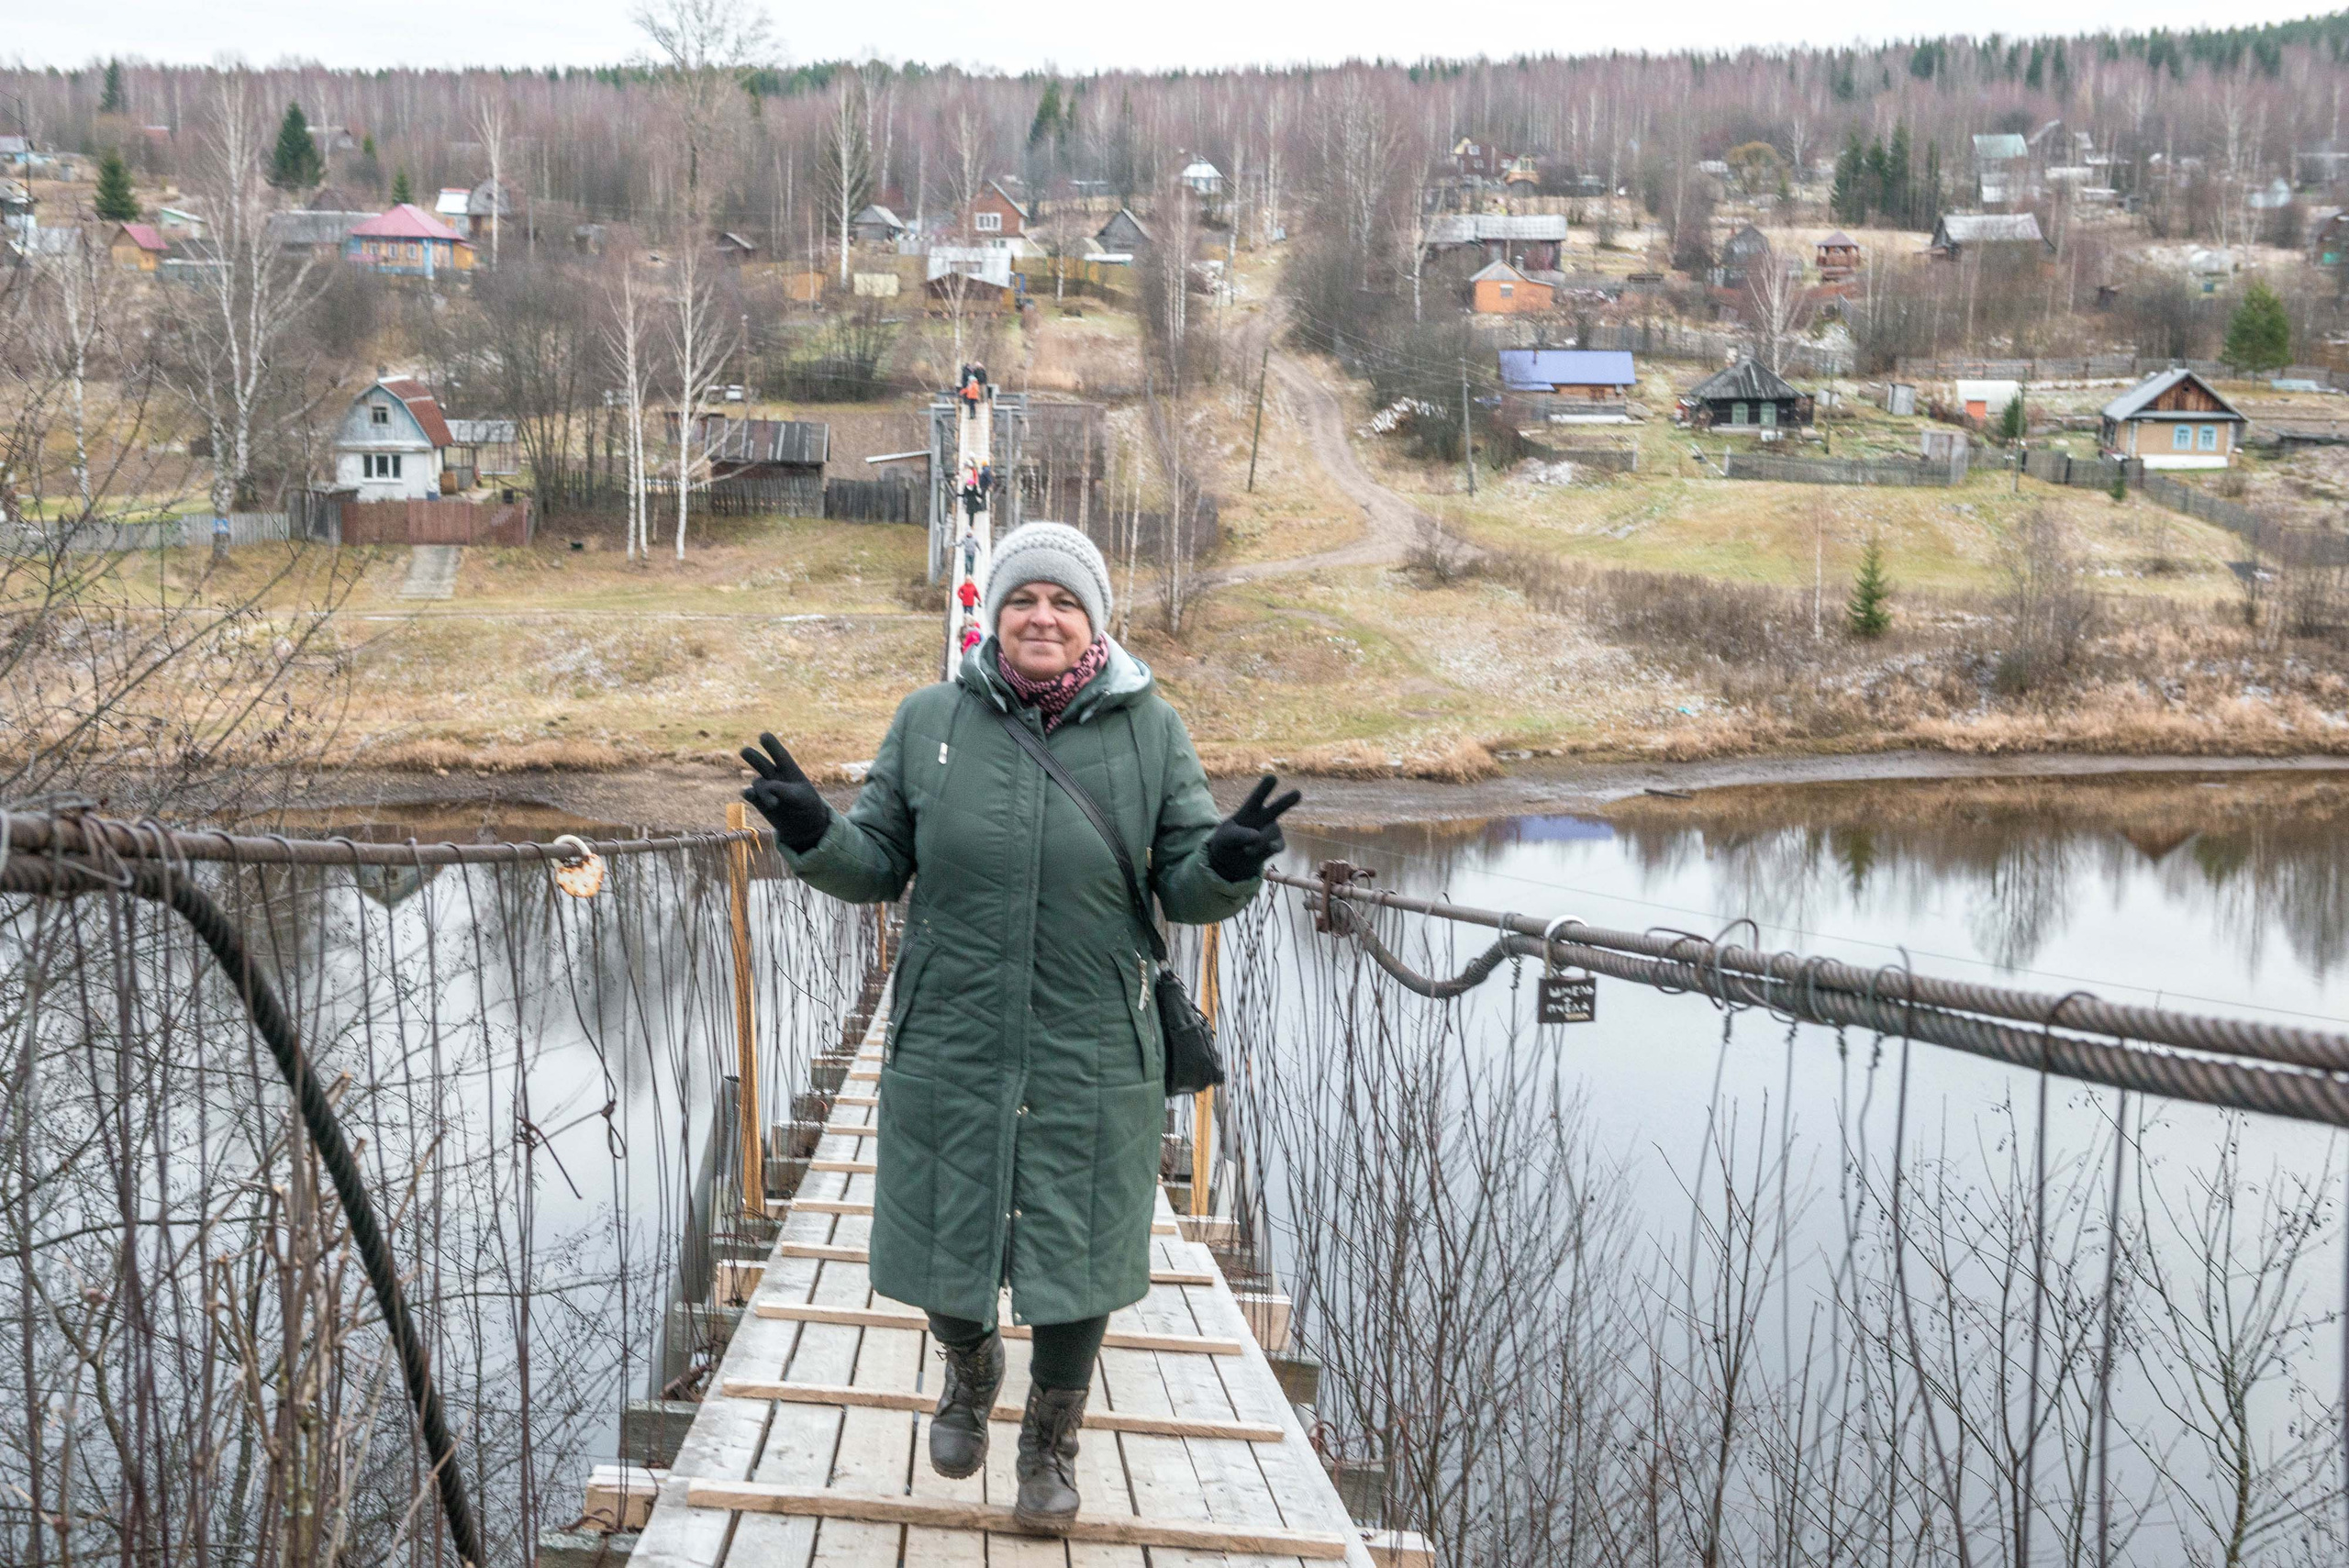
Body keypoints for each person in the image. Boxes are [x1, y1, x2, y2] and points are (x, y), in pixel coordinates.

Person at [740, 522, 1297, 1535]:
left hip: (1094, 1032)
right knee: (942, 1208)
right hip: (952, 1020)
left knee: (1081, 1236)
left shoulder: (1150, 729)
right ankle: (968, 1360)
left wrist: (1226, 857)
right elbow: (876, 863)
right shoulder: (928, 719)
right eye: (1023, 599)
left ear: (1095, 620)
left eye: (1065, 601)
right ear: (993, 614)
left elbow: (1182, 886)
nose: (1043, 616)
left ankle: (1050, 1426)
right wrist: (815, 834)